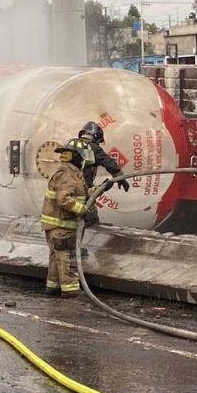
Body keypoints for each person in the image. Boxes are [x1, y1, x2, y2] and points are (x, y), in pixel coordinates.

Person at [41, 138, 89, 297]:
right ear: (77, 157)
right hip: (61, 225)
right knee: (64, 258)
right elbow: (64, 199)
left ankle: (53, 287)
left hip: (57, 224)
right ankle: (70, 289)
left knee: (56, 257)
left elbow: (77, 192)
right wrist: (81, 209)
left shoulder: (70, 173)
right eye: (82, 157)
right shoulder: (67, 174)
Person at [75, 120, 127, 225]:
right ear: (96, 136)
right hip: (82, 188)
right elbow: (108, 163)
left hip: (63, 187)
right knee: (91, 219)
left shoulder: (70, 144)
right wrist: (120, 178)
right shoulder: (92, 147)